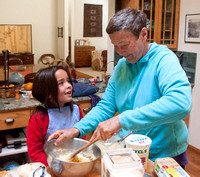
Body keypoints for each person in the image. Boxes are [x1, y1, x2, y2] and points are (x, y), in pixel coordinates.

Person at [48, 8, 192, 168]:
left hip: (165, 154)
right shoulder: (122, 66)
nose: (120, 52)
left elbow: (180, 103)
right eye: (115, 46)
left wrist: (121, 120)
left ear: (144, 34)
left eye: (124, 44)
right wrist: (76, 130)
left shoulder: (164, 60)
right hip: (130, 151)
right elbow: (106, 106)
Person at [26, 65, 84, 166]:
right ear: (48, 92)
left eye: (68, 81)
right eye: (61, 83)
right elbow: (35, 152)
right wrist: (54, 166)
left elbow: (81, 140)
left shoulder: (76, 110)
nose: (69, 85)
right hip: (50, 167)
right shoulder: (39, 118)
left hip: (74, 163)